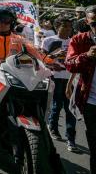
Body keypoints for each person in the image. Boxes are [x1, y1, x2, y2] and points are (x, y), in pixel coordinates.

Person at [42, 17, 77, 152]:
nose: (68, 29)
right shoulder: (48, 40)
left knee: (70, 109)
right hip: (54, 77)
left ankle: (71, 138)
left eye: (70, 27)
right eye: (65, 26)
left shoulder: (73, 41)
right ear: (57, 27)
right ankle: (53, 128)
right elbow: (42, 60)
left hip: (69, 79)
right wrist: (53, 55)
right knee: (56, 105)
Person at [65, 17, 96, 172]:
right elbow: (69, 64)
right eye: (95, 24)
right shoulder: (79, 40)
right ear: (87, 22)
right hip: (91, 101)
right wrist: (87, 55)